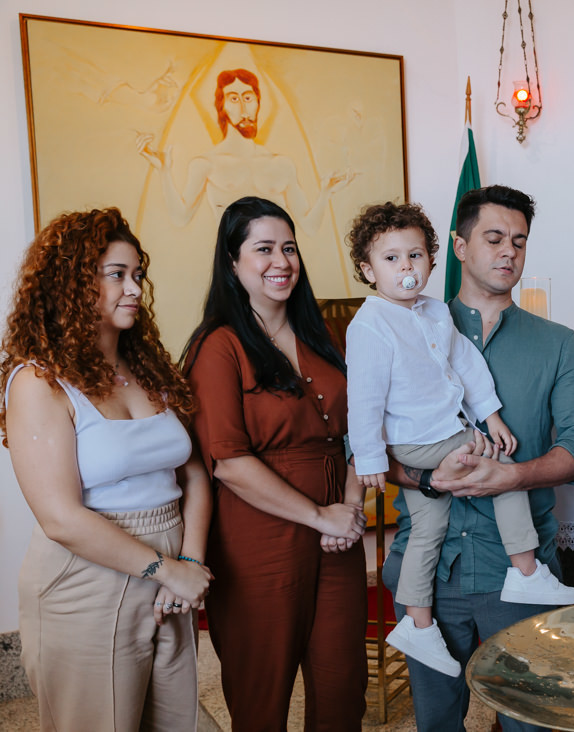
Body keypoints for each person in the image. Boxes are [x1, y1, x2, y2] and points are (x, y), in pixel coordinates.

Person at [379, 185, 574, 732]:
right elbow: (362, 447)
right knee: (436, 723)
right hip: (431, 573)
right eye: (495, 238)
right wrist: (429, 478)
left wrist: (512, 476)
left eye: (519, 242)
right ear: (459, 246)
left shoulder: (557, 343)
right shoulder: (397, 329)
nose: (509, 252)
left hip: (520, 574)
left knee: (532, 723)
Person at [345, 201, 574, 676]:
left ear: (432, 261)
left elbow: (467, 365)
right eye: (391, 259)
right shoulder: (370, 324)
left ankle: (418, 624)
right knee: (495, 461)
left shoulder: (434, 312)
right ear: (368, 271)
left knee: (428, 529)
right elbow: (363, 397)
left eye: (414, 256)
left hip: (440, 432)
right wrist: (369, 457)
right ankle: (526, 570)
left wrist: (491, 414)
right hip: (419, 439)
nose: (406, 268)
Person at [0, 208, 213, 730]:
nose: (135, 288)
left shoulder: (148, 369)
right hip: (86, 578)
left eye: (137, 274)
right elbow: (61, 518)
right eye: (116, 275)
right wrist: (167, 570)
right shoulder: (38, 382)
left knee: (180, 722)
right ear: (71, 284)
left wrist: (187, 562)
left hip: (170, 568)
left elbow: (193, 475)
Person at [182, 196, 368, 730]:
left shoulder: (325, 336)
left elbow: (365, 426)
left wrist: (348, 509)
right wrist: (319, 516)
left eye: (289, 248)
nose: (281, 261)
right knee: (261, 693)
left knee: (342, 687)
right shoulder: (218, 347)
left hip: (339, 533)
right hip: (258, 539)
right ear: (232, 261)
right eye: (263, 249)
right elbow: (227, 461)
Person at [137, 69, 352, 232]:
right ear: (222, 107)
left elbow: (309, 225)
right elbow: (180, 218)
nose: (243, 108)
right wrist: (164, 172)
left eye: (248, 98)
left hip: (275, 267)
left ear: (258, 103)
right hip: (233, 266)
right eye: (234, 99)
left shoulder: (281, 164)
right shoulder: (206, 164)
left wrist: (326, 193)